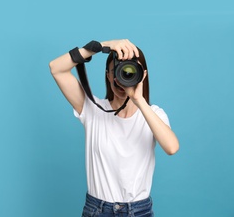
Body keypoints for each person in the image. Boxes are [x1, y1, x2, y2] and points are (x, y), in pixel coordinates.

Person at [49, 39, 179, 217]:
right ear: (108, 75)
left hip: (139, 211)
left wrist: (139, 100)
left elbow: (172, 147)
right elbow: (56, 68)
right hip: (97, 210)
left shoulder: (153, 114)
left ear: (143, 75)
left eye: (130, 72)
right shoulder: (92, 109)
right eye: (118, 71)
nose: (122, 78)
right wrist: (102, 46)